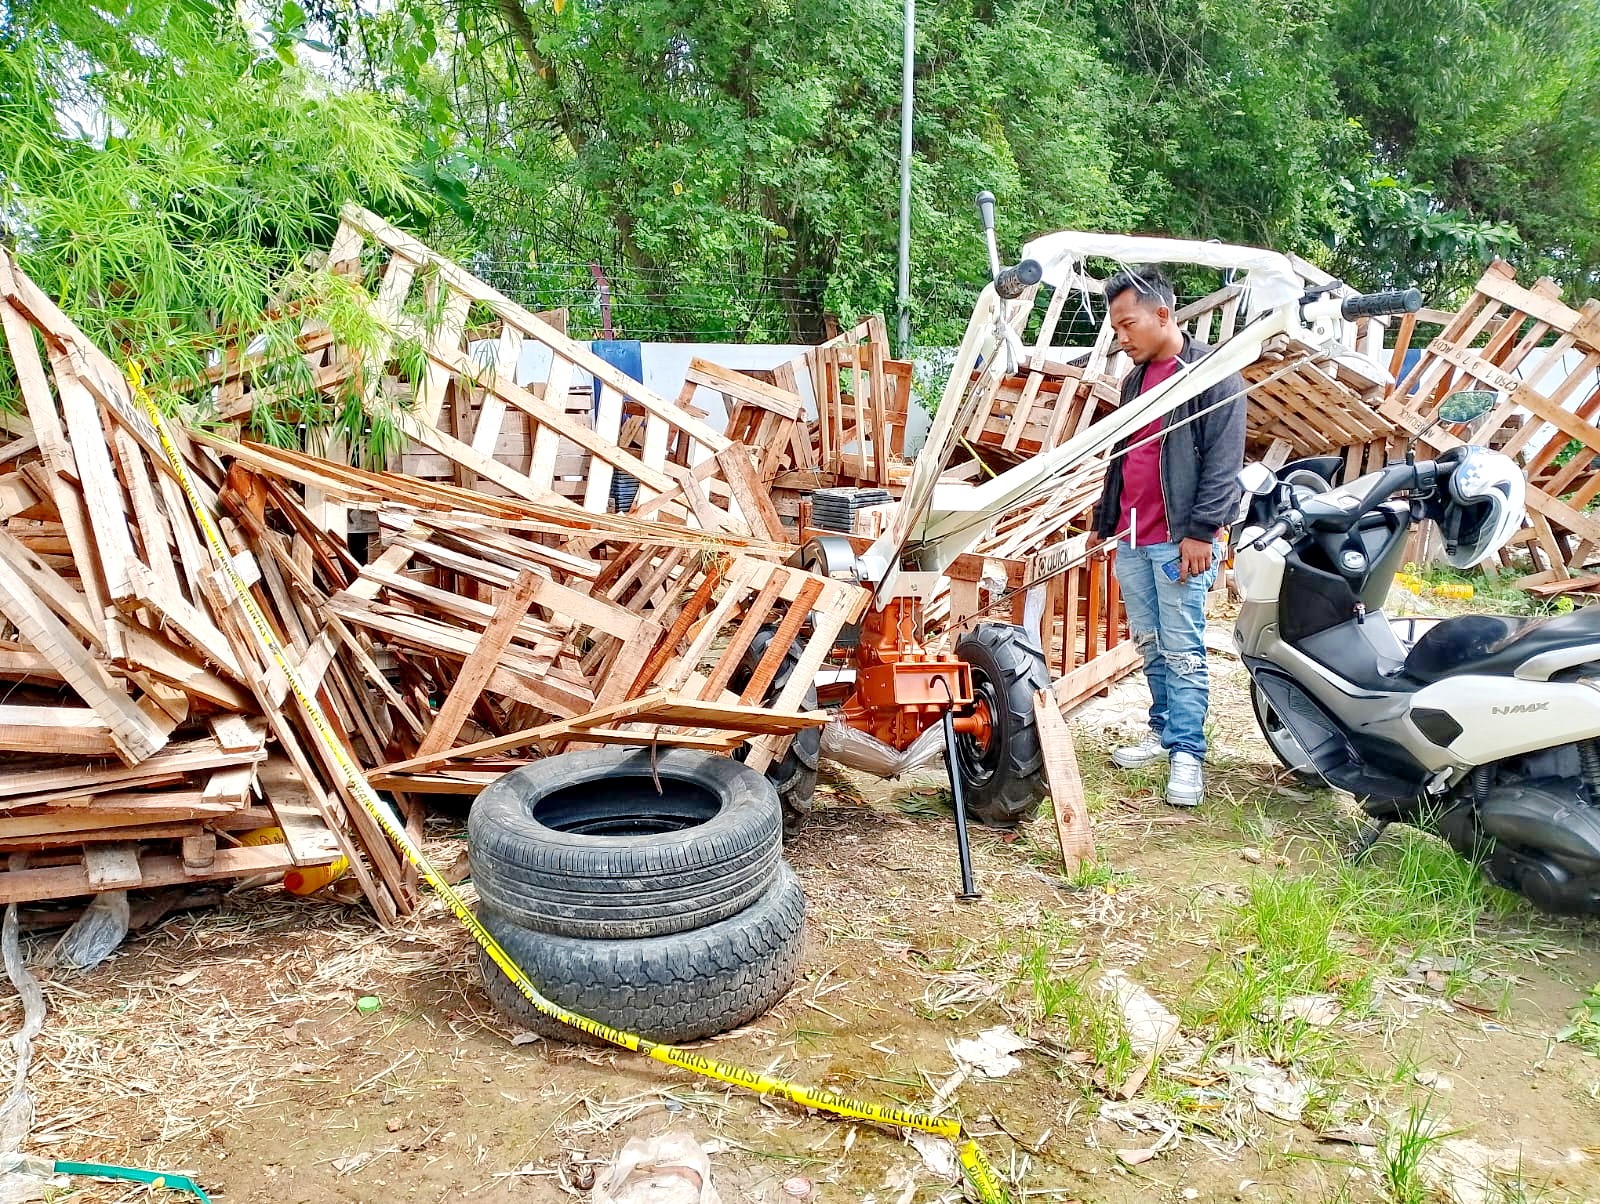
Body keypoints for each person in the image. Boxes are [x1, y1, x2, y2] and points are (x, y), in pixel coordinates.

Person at [1089, 265, 1247, 807]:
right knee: (1151, 642)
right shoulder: (1134, 380)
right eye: (1115, 329)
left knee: (1183, 647)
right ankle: (1162, 730)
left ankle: (1188, 752)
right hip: (1134, 537)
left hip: (1181, 540)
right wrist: (1104, 523)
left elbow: (1225, 462)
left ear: (1163, 314)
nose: (1121, 338)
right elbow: (1123, 459)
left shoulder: (1211, 373)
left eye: (1128, 325)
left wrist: (1202, 532)